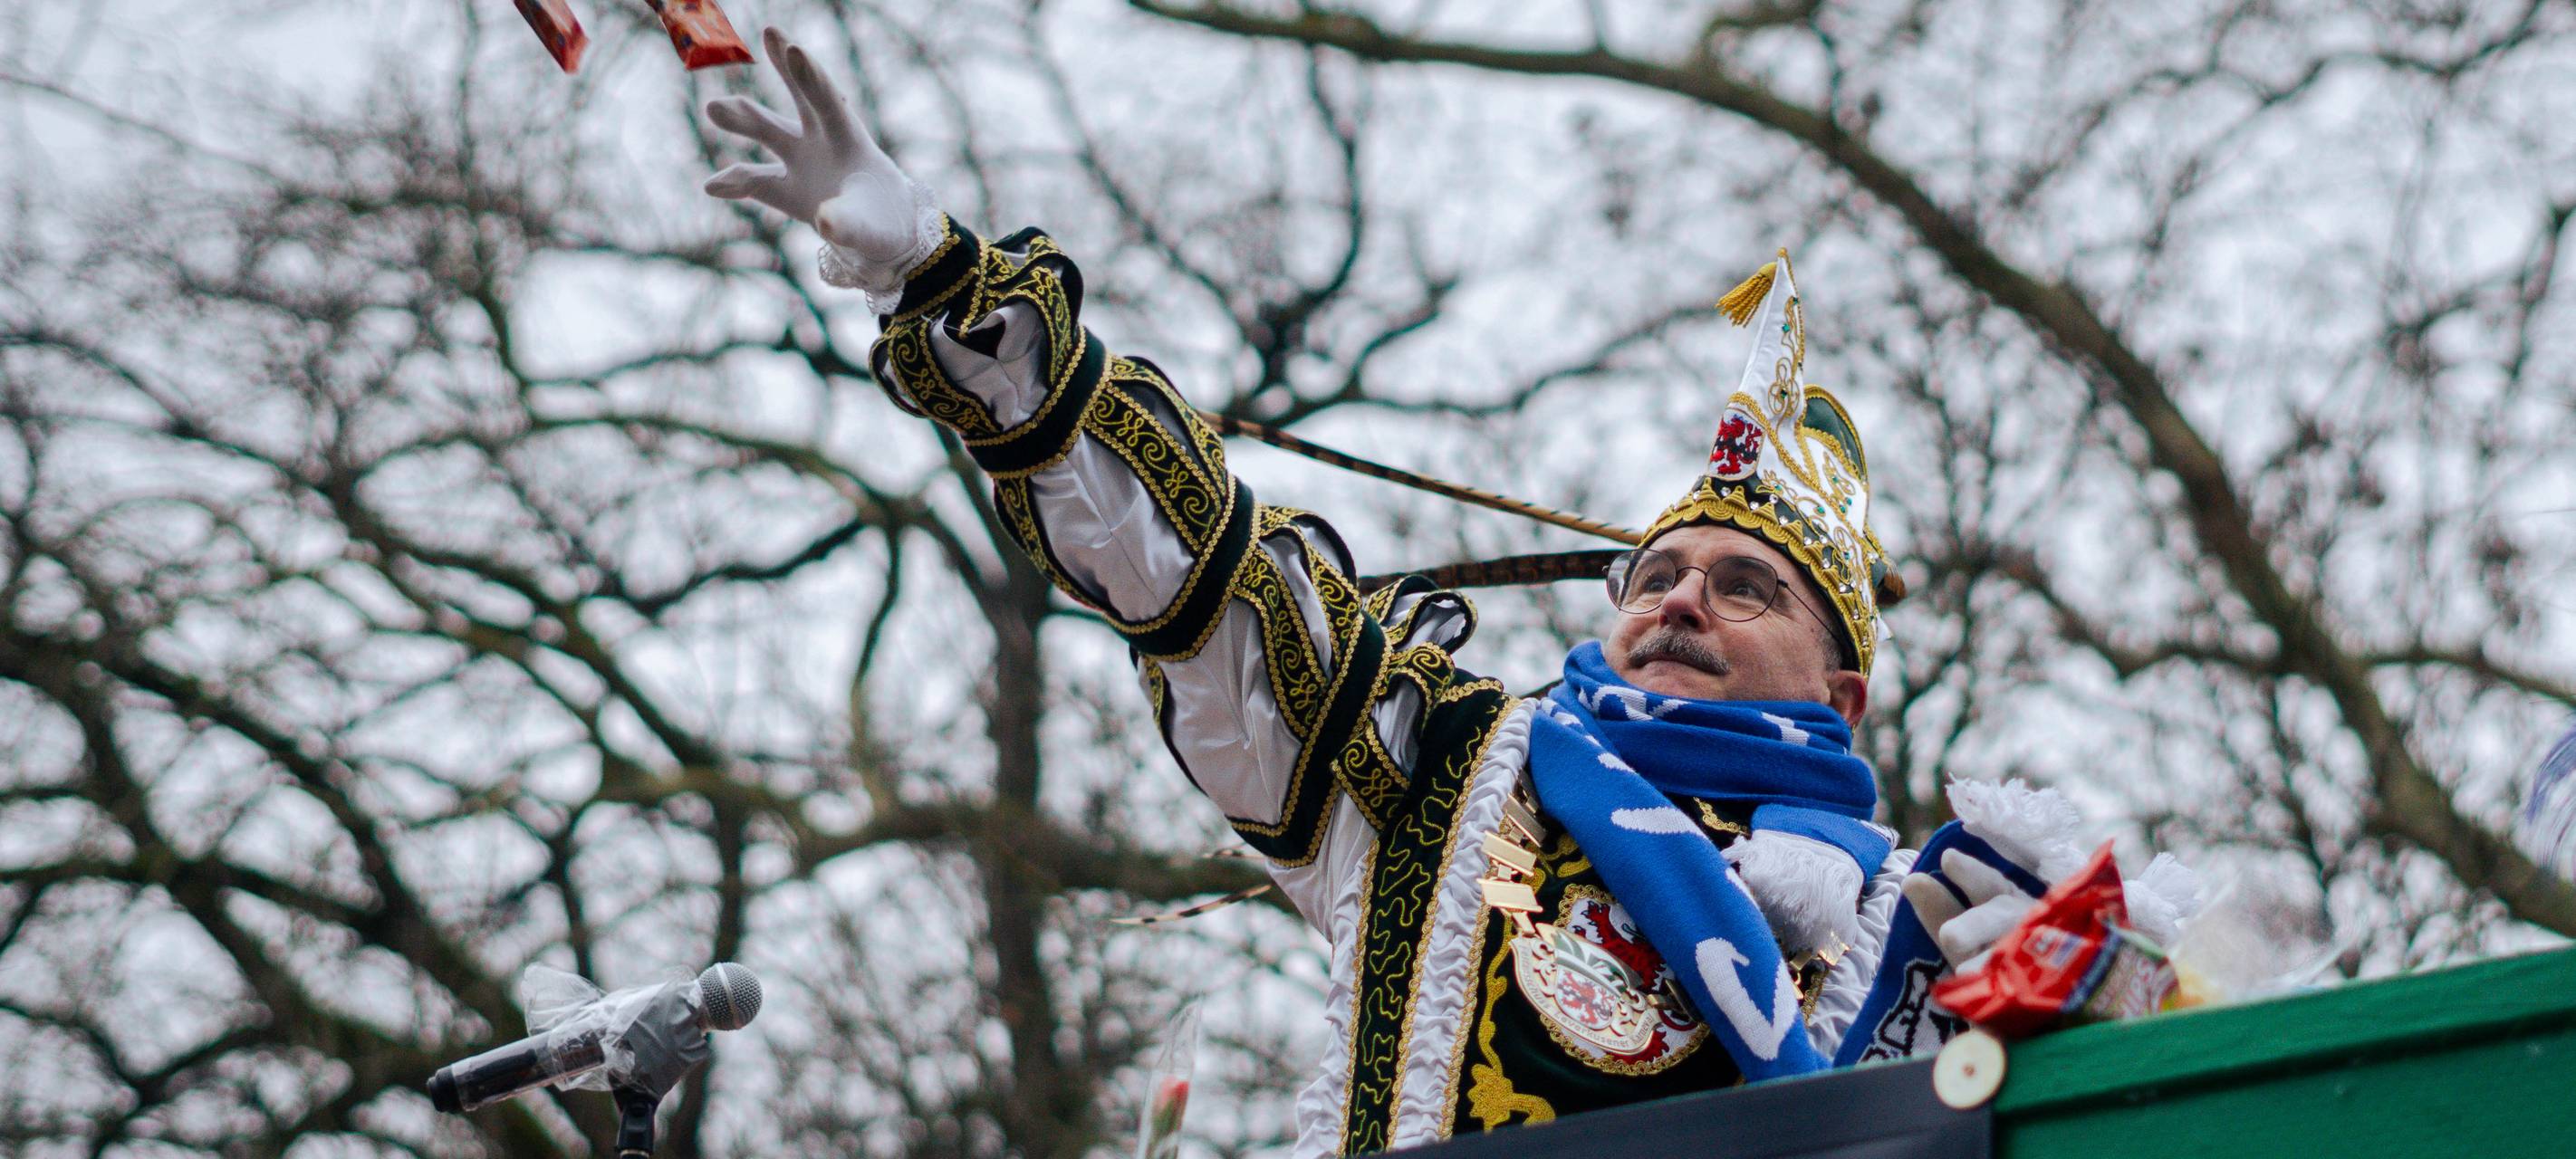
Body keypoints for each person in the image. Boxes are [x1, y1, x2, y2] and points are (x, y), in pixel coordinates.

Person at [701, 28, 2196, 1154]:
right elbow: (1201, 577)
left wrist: (2086, 1003)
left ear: (1842, 690)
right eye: (1657, 574)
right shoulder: (1445, 769)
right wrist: (944, 284)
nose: (1680, 600)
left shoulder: (1924, 923)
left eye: (1745, 588)